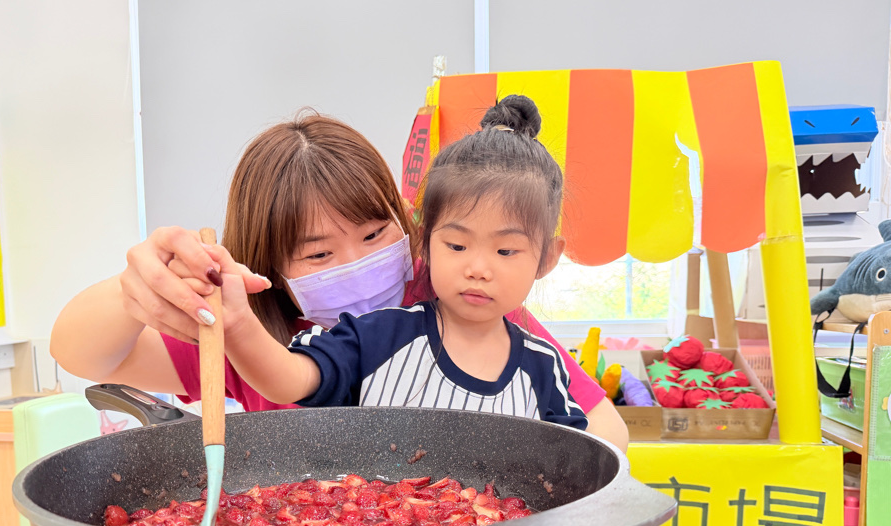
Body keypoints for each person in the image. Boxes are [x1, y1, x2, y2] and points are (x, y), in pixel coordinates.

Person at [51, 109, 628, 450]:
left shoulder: (460, 300)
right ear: (269, 266)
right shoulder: (251, 334)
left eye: (375, 234)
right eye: (319, 253)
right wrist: (136, 289)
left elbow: (601, 425)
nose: (356, 261)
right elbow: (80, 354)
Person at [202, 96, 589, 431]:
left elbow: (573, 460)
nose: (478, 269)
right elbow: (289, 379)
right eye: (457, 245)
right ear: (424, 240)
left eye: (505, 251)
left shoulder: (544, 367)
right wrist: (237, 321)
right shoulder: (378, 336)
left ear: (546, 258)